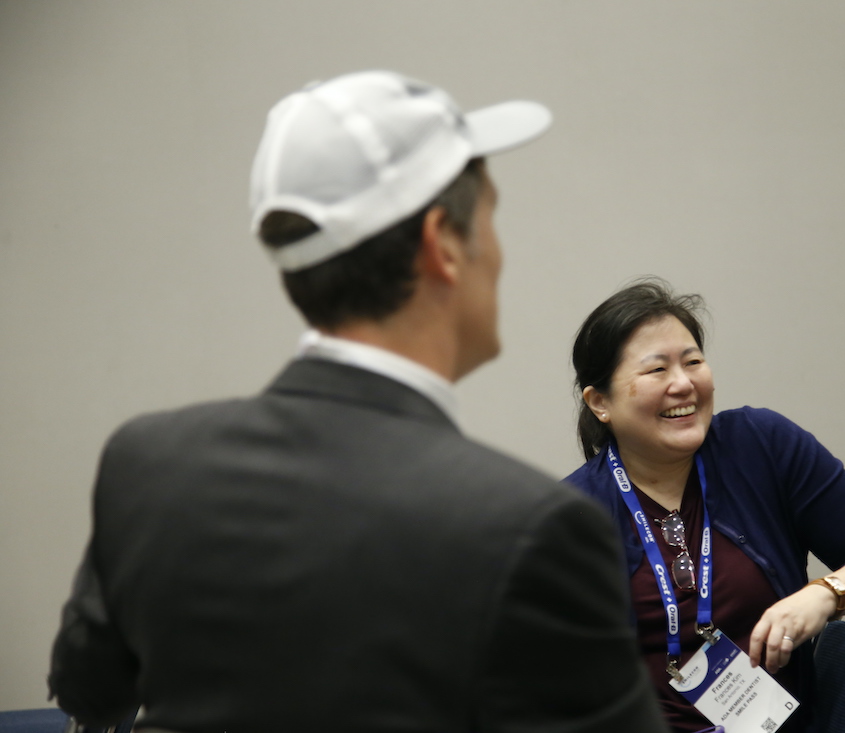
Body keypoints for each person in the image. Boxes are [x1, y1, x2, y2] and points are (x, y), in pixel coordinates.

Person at [48, 70, 668, 733]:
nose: (500, 253)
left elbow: (87, 687)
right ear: (443, 244)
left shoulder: (146, 464)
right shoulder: (530, 528)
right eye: (491, 217)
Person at [564, 278, 845, 733]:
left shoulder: (762, 446)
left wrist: (823, 595)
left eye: (693, 361)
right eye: (657, 370)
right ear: (600, 403)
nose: (683, 383)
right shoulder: (572, 516)